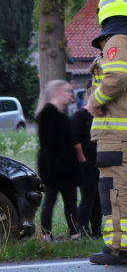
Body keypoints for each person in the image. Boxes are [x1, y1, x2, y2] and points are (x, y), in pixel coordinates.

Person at [87, 0, 127, 265]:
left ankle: (117, 248)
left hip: (116, 137)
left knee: (113, 190)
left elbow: (116, 79)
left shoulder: (117, 41)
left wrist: (94, 102)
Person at [36, 80, 80, 240]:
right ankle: (46, 234)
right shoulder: (47, 114)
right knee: (50, 200)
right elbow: (50, 144)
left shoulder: (62, 115)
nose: (70, 95)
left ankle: (75, 234)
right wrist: (65, 160)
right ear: (57, 93)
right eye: (67, 91)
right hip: (54, 168)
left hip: (65, 168)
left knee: (70, 201)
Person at [71, 83, 101, 237]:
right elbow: (75, 141)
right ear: (89, 97)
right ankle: (83, 230)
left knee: (98, 199)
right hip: (85, 164)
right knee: (87, 198)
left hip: (99, 163)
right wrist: (84, 161)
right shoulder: (80, 116)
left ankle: (97, 231)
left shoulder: (99, 116)